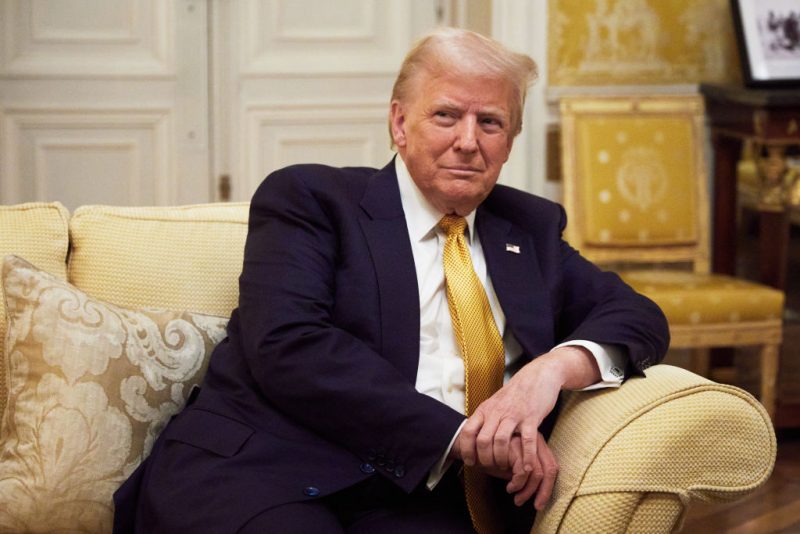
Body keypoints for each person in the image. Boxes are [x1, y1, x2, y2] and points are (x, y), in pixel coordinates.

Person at [113, 27, 669, 533]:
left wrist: (548, 373)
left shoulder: (529, 228)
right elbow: (288, 346)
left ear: (511, 139)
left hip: (416, 499)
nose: (468, 141)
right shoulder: (311, 200)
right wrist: (462, 440)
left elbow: (638, 317)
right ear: (400, 123)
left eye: (491, 122)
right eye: (446, 115)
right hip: (264, 469)